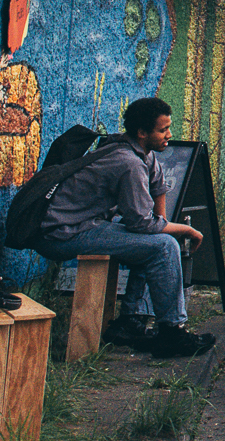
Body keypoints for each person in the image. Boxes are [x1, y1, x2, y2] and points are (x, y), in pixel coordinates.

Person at [37, 97, 215, 357]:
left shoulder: (136, 148)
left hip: (85, 225)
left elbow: (158, 187)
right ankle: (172, 332)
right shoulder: (127, 162)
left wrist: (162, 225)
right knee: (163, 246)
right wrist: (182, 230)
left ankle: (130, 321)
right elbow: (143, 223)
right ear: (143, 133)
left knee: (157, 241)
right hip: (61, 234)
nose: (169, 134)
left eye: (169, 127)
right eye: (163, 130)